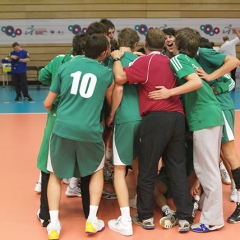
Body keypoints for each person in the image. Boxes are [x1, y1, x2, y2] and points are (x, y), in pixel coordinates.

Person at [111, 28, 193, 233]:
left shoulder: (144, 62)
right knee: (176, 169)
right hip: (177, 118)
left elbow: (120, 78)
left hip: (156, 118)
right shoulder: (172, 61)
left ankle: (146, 216)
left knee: (147, 169)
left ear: (145, 45)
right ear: (165, 44)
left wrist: (116, 58)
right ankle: (184, 217)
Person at [149, 27, 225, 233]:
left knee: (206, 169)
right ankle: (209, 209)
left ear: (178, 44)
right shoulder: (193, 60)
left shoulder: (178, 59)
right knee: (205, 167)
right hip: (210, 115)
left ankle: (213, 219)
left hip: (204, 117)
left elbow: (196, 82)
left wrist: (169, 92)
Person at [44, 33, 114, 240]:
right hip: (90, 130)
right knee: (96, 171)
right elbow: (110, 100)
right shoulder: (106, 74)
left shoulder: (65, 67)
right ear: (104, 53)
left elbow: (48, 103)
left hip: (63, 128)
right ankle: (92, 219)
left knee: (55, 175)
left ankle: (54, 225)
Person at [36, 33, 87, 228]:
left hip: (57, 116)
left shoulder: (60, 61)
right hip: (83, 118)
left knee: (48, 163)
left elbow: (42, 76)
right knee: (86, 165)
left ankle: (45, 213)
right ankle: (88, 212)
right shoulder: (94, 66)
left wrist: (53, 90)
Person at [196, 36, 240, 224]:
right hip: (209, 111)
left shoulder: (205, 53)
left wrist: (211, 80)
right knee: (216, 155)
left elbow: (230, 76)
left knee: (229, 154)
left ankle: (237, 194)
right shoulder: (191, 59)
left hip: (220, 109)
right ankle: (207, 195)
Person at [106, 28, 141, 236]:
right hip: (144, 116)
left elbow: (117, 88)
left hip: (125, 117)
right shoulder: (142, 59)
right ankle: (139, 202)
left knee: (119, 169)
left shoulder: (114, 59)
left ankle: (125, 221)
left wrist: (111, 114)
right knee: (139, 162)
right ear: (136, 44)